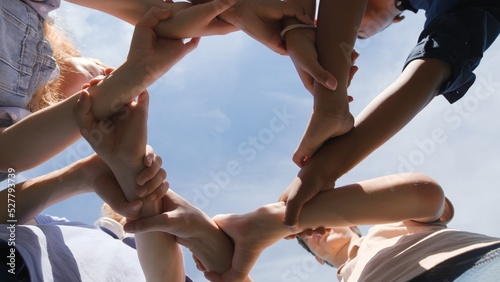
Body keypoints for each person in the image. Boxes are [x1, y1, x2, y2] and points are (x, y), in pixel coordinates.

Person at [278, 0, 500, 227]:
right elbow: (432, 70)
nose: (353, 35)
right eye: (359, 35)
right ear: (392, 21)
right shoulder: (464, 13)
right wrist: (323, 169)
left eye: (358, 33)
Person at [129, 172, 500, 281]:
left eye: (314, 228)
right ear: (319, 260)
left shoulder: (399, 226)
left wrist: (286, 218)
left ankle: (263, 226)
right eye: (309, 241)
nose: (317, 236)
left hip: (478, 266)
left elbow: (426, 196)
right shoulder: (348, 277)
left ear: (352, 224)